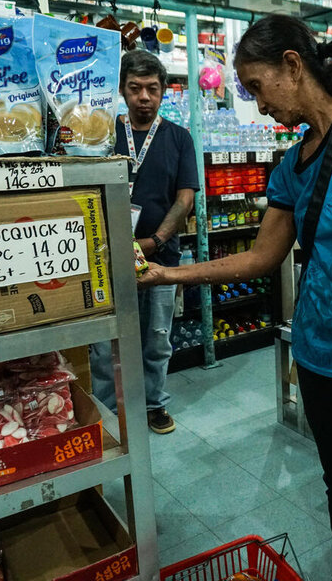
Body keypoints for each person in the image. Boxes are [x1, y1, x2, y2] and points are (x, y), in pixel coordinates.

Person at [138, 14, 332, 581]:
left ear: (293, 66)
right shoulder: (291, 164)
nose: (256, 106)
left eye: (257, 87)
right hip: (318, 351)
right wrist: (165, 276)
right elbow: (259, 258)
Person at [90, 50, 198, 434]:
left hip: (160, 257)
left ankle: (154, 404)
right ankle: (104, 412)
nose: (144, 97)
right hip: (105, 256)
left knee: (156, 339)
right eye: (135, 88)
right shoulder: (101, 135)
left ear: (164, 91)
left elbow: (185, 198)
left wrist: (154, 240)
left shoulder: (179, 138)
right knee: (105, 346)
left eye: (152, 88)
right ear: (122, 90)